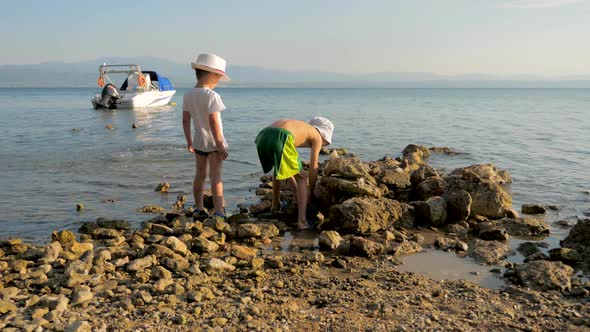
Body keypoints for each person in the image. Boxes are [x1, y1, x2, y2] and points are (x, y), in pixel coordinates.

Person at [255, 117, 334, 230]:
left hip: (263, 135)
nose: (324, 146)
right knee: (302, 178)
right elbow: (313, 167)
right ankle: (302, 221)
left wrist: (296, 190)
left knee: (279, 167)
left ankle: (275, 204)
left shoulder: (301, 128)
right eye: (326, 143)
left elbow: (286, 168)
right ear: (324, 135)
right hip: (281, 136)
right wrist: (310, 193)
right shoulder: (317, 136)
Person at [182, 53, 231, 219]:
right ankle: (218, 211)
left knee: (200, 175)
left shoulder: (188, 94)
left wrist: (189, 141)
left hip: (198, 142)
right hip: (213, 143)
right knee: (216, 177)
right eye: (218, 78)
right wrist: (219, 145)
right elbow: (214, 122)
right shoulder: (212, 96)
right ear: (212, 74)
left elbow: (185, 120)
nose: (218, 81)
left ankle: (198, 208)